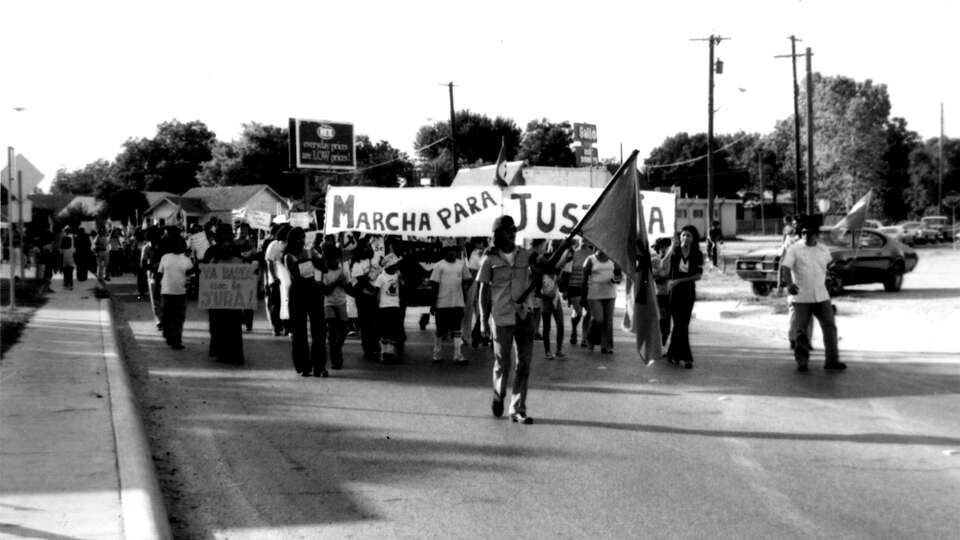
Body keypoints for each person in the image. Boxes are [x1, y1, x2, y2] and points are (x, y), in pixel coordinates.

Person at [477, 215, 537, 425]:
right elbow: (483, 292)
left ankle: (518, 409)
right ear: (497, 234)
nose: (512, 233)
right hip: (501, 316)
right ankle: (498, 393)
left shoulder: (525, 255)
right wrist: (484, 320)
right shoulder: (489, 260)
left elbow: (543, 266)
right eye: (507, 230)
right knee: (503, 363)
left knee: (525, 364)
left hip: (524, 314)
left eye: (514, 229)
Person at [779, 216, 845, 372]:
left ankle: (832, 361)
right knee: (801, 330)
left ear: (817, 235)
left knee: (830, 327)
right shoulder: (794, 249)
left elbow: (829, 266)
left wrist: (833, 274)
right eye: (804, 233)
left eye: (810, 233)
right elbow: (786, 268)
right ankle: (802, 361)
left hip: (822, 296)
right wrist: (789, 284)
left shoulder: (823, 249)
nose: (806, 236)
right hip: (802, 296)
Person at [284, 227, 328, 377]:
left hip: (314, 293)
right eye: (299, 238)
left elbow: (324, 268)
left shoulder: (311, 251)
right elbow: (298, 275)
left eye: (303, 237)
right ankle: (304, 365)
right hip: (298, 293)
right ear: (292, 240)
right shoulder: (288, 256)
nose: (302, 240)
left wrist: (321, 255)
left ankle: (319, 366)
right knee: (299, 331)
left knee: (319, 330)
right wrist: (311, 260)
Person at [203, 224, 247, 365]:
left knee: (218, 325)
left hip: (220, 295)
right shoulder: (231, 250)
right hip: (229, 295)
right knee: (232, 325)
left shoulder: (213, 250)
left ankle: (222, 353)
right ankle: (233, 354)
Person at [663, 225, 703, 369]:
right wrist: (670, 249)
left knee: (682, 325)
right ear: (680, 238)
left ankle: (673, 353)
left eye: (689, 236)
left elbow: (698, 275)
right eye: (683, 235)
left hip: (688, 292)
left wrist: (680, 280)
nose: (686, 238)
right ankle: (687, 358)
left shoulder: (697, 254)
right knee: (680, 324)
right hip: (675, 293)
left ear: (693, 239)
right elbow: (663, 265)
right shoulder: (675, 253)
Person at [429, 243, 471, 365]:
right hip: (442, 303)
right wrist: (433, 304)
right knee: (440, 330)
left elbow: (468, 278)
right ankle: (437, 353)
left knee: (457, 330)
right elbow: (434, 285)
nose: (452, 253)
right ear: (445, 252)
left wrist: (464, 289)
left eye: (454, 250)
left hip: (457, 303)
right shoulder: (439, 266)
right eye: (449, 250)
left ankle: (458, 355)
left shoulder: (461, 264)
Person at [156, 236, 195, 350]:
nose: (178, 246)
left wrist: (194, 273)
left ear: (184, 246)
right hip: (166, 292)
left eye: (181, 244)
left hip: (181, 293)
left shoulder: (187, 260)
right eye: (176, 244)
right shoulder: (165, 257)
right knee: (166, 317)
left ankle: (176, 341)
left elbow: (191, 274)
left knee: (179, 318)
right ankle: (168, 334)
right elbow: (159, 274)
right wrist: (156, 290)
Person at [582, 249, 621, 354]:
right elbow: (584, 279)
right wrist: (583, 296)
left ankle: (607, 346)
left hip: (610, 293)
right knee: (598, 319)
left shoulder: (614, 258)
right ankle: (590, 338)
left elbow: (619, 277)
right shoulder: (590, 259)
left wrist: (616, 278)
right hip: (594, 294)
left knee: (608, 321)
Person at [350, 239, 382, 361]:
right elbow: (361, 280)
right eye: (365, 246)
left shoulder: (375, 259)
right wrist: (372, 289)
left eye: (369, 246)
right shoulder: (356, 263)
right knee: (365, 323)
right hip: (363, 296)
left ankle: (375, 344)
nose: (368, 248)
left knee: (375, 321)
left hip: (374, 295)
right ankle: (367, 347)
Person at [320, 245, 350, 369]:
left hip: (341, 302)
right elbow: (325, 291)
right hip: (328, 303)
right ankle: (335, 358)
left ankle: (336, 349)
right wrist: (337, 282)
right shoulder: (322, 272)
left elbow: (348, 288)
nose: (335, 262)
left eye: (337, 259)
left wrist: (344, 282)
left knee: (343, 331)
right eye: (332, 259)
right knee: (332, 331)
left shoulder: (342, 270)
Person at [559, 237, 592, 347]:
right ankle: (574, 330)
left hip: (589, 287)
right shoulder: (573, 254)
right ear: (579, 241)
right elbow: (564, 270)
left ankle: (584, 338)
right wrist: (565, 290)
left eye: (587, 240)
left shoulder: (592, 255)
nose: (584, 242)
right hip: (574, 286)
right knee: (578, 312)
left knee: (588, 313)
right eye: (583, 240)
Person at [373, 253, 404, 362]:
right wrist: (377, 306)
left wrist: (400, 279)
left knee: (393, 330)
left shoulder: (397, 275)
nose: (396, 266)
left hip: (395, 305)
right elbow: (376, 292)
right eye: (394, 265)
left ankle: (390, 352)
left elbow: (403, 286)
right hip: (384, 306)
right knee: (385, 330)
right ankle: (384, 351)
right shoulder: (381, 277)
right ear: (389, 266)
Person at [537, 250, 565, 359]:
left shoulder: (555, 272)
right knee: (546, 327)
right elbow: (537, 292)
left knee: (560, 324)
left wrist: (559, 281)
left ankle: (559, 349)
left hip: (556, 300)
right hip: (546, 301)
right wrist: (546, 294)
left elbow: (561, 287)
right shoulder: (540, 274)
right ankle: (547, 351)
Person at [264, 224, 290, 336]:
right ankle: (276, 327)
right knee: (275, 304)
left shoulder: (289, 245)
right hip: (275, 280)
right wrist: (274, 278)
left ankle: (287, 327)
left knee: (287, 303)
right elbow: (269, 262)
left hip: (287, 280)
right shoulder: (274, 245)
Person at [651, 238, 673, 346]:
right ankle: (659, 339)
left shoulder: (672, 261)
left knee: (667, 319)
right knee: (661, 317)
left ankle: (664, 337)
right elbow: (658, 276)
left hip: (671, 294)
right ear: (658, 248)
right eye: (661, 247)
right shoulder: (654, 261)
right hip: (659, 294)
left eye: (666, 247)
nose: (664, 250)